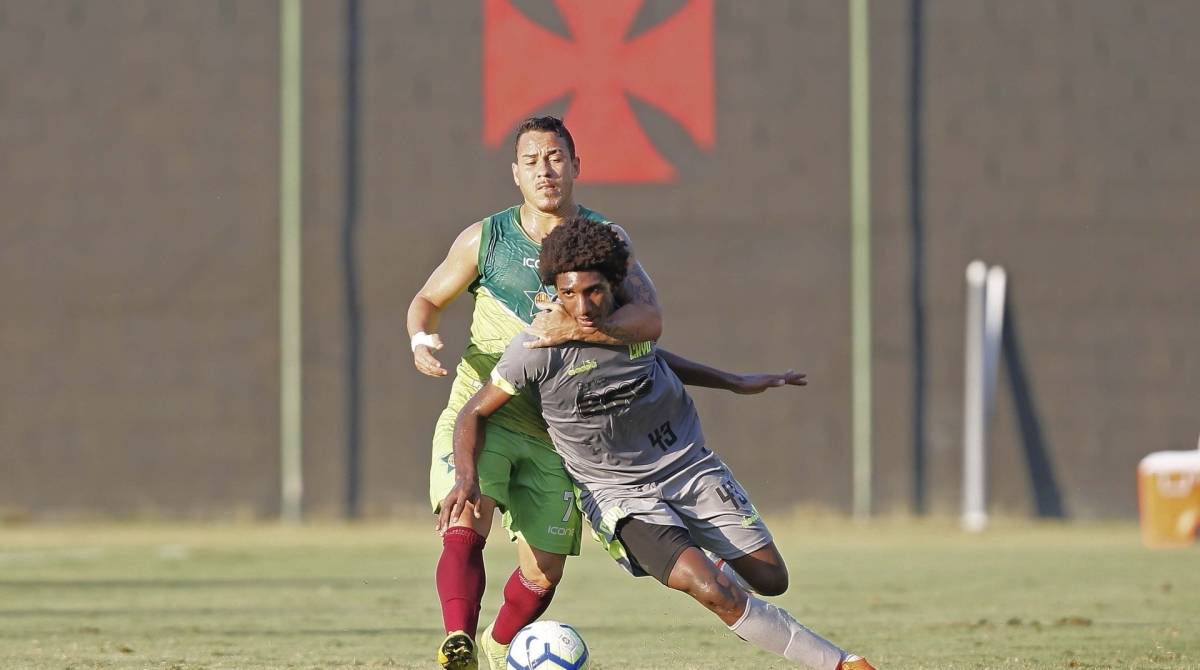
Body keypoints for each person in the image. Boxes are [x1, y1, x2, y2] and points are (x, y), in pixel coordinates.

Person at [438, 217, 878, 670]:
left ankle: (711, 562)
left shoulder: (633, 322)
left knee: (770, 578)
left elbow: (651, 355)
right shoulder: (534, 348)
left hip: (685, 464)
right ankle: (840, 663)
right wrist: (467, 477)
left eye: (593, 291)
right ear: (554, 289)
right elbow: (474, 411)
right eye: (568, 293)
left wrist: (734, 381)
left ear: (613, 284)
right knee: (709, 589)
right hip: (617, 493)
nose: (583, 305)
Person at [408, 116, 665, 670]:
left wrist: (580, 331)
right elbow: (426, 300)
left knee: (544, 570)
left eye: (555, 158)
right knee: (465, 516)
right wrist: (422, 337)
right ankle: (458, 641)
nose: (544, 170)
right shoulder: (486, 238)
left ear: (576, 166)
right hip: (484, 410)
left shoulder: (606, 240)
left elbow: (649, 319)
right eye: (532, 161)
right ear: (516, 174)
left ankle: (499, 650)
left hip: (558, 428)